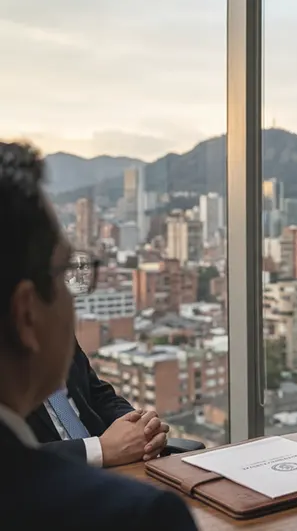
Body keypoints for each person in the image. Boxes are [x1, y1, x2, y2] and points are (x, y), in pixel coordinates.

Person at [0, 141, 198, 530]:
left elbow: (94, 390)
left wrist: (137, 428)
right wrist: (101, 450)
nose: (74, 297)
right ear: (26, 313)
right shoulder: (142, 517)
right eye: (64, 273)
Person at [26, 338, 170, 467]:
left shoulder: (57, 330)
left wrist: (139, 426)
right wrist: (102, 449)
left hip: (115, 470)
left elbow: (97, 393)